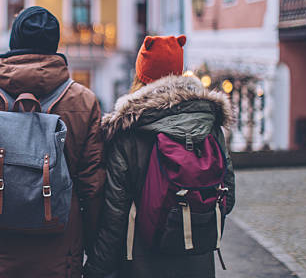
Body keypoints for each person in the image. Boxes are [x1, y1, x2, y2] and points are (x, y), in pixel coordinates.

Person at [0, 6, 105, 278]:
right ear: (54, 45)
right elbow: (93, 187)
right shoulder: (83, 100)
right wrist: (95, 250)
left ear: (14, 42)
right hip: (60, 253)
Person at [84, 35, 236, 278]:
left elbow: (115, 215)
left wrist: (97, 269)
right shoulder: (209, 124)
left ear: (141, 73)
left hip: (142, 262)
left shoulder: (128, 131)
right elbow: (228, 193)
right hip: (197, 260)